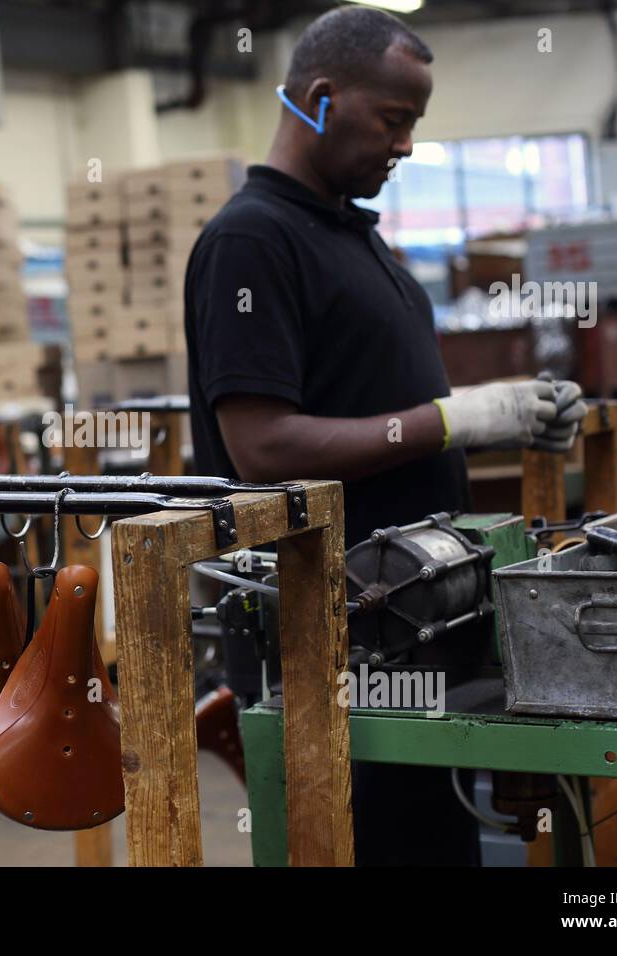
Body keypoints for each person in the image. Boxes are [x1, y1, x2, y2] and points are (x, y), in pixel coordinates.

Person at [183, 7, 585, 866]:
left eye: (415, 124)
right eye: (393, 119)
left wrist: (509, 424)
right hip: (332, 647)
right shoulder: (252, 242)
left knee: (432, 844)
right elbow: (264, 448)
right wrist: (456, 421)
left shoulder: (353, 237)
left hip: (418, 623)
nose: (405, 146)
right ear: (322, 101)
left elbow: (378, 403)